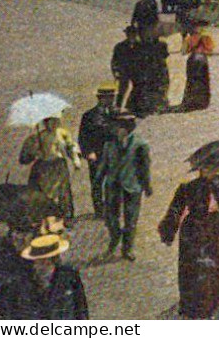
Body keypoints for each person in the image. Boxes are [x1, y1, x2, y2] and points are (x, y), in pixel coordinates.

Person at [157, 169, 219, 318]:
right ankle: (195, 308)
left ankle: (212, 303)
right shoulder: (189, 187)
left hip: (216, 230)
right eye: (205, 168)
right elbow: (175, 210)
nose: (208, 171)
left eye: (212, 168)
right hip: (194, 232)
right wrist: (168, 232)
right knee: (195, 271)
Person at [0, 233, 88, 320]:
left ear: (55, 259)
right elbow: (0, 316)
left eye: (49, 260)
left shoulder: (69, 277)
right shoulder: (14, 283)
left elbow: (81, 312)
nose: (44, 263)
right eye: (40, 260)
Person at [98, 112, 151, 261]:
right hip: (112, 185)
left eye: (119, 127)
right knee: (110, 217)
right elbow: (103, 164)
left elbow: (144, 168)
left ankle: (127, 249)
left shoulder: (141, 145)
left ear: (128, 128)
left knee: (131, 220)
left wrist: (147, 186)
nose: (115, 130)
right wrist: (98, 179)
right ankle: (115, 236)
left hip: (132, 186)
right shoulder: (109, 144)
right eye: (115, 127)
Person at [18, 117, 81, 224]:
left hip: (58, 166)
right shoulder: (37, 137)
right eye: (48, 121)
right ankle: (42, 217)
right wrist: (34, 152)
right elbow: (24, 158)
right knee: (41, 192)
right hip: (43, 167)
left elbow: (70, 147)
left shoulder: (63, 134)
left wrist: (75, 159)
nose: (51, 124)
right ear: (44, 122)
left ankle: (65, 217)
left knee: (62, 191)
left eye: (54, 121)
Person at [78, 86, 119, 218]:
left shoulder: (117, 114)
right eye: (109, 97)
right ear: (101, 98)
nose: (112, 100)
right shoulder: (89, 116)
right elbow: (82, 137)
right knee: (97, 183)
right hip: (97, 154)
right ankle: (99, 210)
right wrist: (88, 152)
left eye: (113, 97)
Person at [132, 27, 171, 117]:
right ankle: (150, 105)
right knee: (148, 86)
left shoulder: (161, 44)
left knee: (159, 85)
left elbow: (164, 55)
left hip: (157, 68)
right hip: (150, 68)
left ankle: (157, 104)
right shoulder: (141, 45)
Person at [180, 20, 215, 112]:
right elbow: (211, 50)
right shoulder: (206, 37)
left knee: (192, 80)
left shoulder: (189, 38)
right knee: (203, 80)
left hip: (192, 59)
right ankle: (202, 102)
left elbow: (183, 51)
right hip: (202, 59)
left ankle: (191, 101)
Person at [111, 25, 141, 111]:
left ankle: (132, 106)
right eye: (129, 34)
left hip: (136, 72)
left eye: (133, 34)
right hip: (124, 71)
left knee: (137, 88)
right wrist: (115, 72)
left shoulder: (140, 46)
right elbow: (114, 61)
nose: (132, 36)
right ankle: (118, 106)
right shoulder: (120, 46)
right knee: (122, 89)